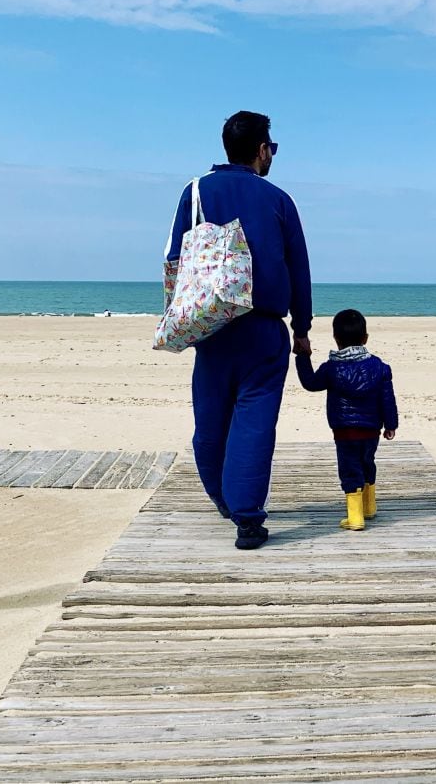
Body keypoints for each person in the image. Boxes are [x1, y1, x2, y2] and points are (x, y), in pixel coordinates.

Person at [164, 110, 312, 550]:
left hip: (212, 324)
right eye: (273, 149)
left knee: (211, 416)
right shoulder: (278, 199)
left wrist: (182, 318)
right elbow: (298, 270)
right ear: (262, 150)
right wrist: (301, 328)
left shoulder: (194, 194)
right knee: (254, 419)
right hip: (264, 328)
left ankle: (223, 499)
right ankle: (247, 519)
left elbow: (176, 260)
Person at [295, 309, 398, 531]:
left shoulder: (331, 368)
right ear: (365, 338)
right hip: (371, 430)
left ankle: (356, 517)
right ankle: (369, 507)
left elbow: (310, 383)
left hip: (344, 431)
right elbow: (387, 399)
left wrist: (303, 356)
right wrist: (391, 425)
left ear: (336, 339)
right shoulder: (379, 367)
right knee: (367, 463)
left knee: (350, 468)